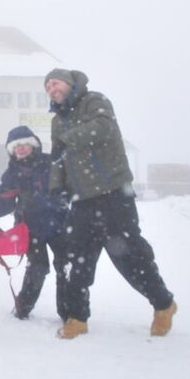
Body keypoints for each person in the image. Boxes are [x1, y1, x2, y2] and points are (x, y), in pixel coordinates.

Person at [45, 68, 177, 339]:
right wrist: (57, 187)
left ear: (69, 84)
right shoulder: (57, 120)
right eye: (47, 87)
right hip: (81, 200)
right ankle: (77, 318)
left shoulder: (95, 101)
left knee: (129, 256)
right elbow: (57, 158)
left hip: (113, 194)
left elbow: (102, 129)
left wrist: (67, 139)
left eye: (55, 83)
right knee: (76, 259)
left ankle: (163, 304)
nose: (51, 89)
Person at [0, 125, 69, 321]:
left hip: (59, 223)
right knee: (38, 267)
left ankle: (68, 312)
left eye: (25, 144)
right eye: (16, 146)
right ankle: (23, 308)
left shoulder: (50, 163)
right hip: (31, 229)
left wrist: (56, 200)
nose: (21, 148)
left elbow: (68, 187)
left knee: (66, 266)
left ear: (33, 145)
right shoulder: (12, 174)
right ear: (11, 150)